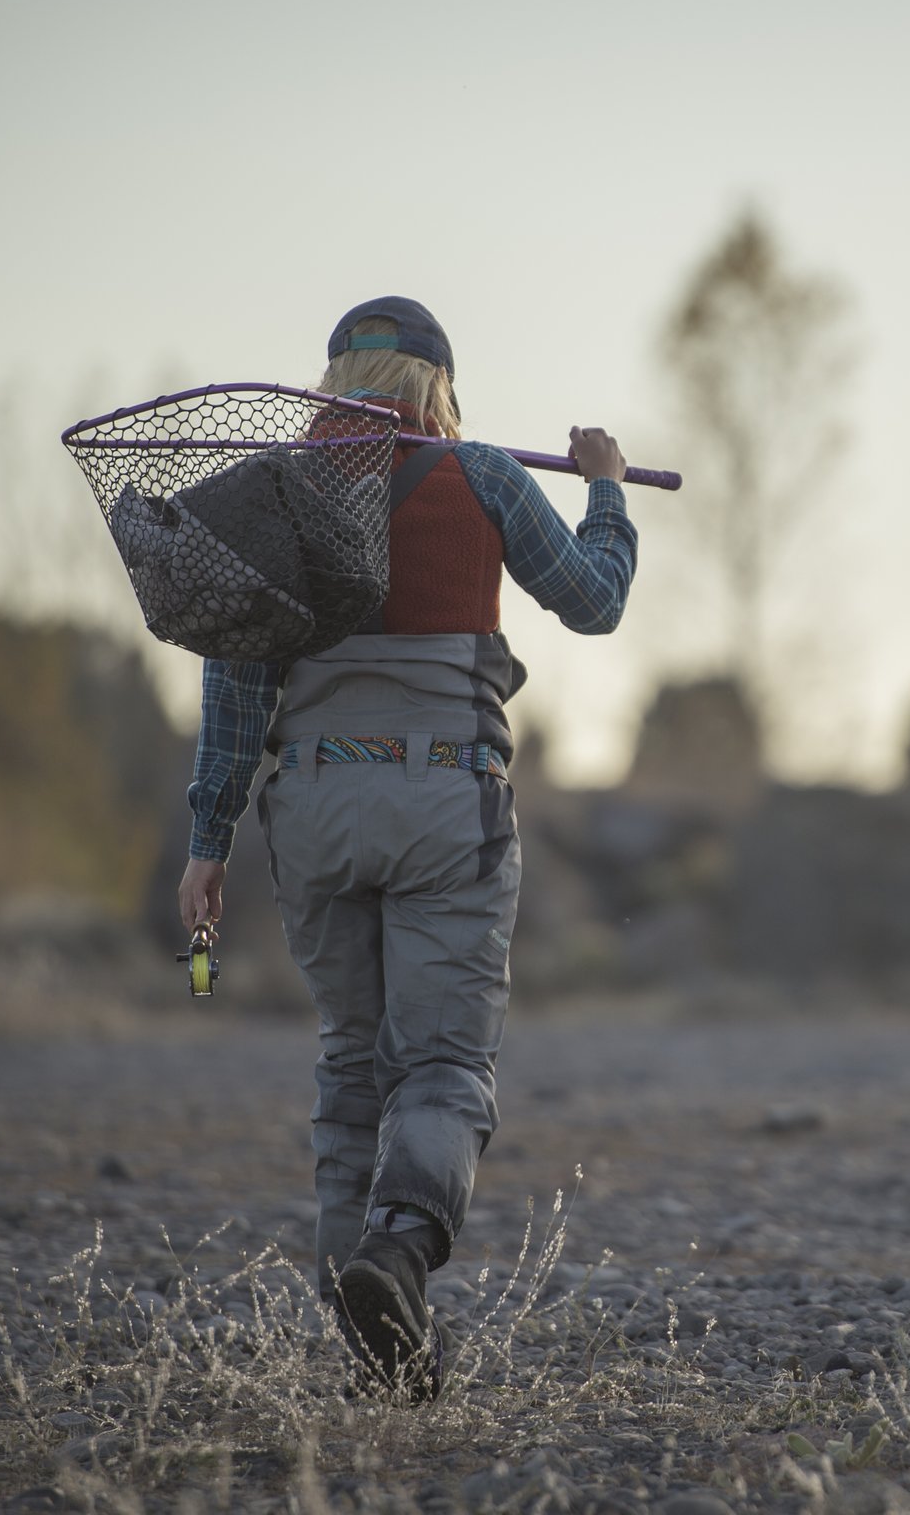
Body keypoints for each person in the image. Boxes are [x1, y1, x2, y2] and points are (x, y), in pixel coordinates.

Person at [176, 295, 638, 1400]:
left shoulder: (277, 504)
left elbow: (236, 689)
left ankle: (376, 1340)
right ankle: (396, 1249)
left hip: (316, 806)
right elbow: (594, 602)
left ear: (334, 380)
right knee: (438, 1066)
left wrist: (207, 840)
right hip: (445, 803)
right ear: (434, 388)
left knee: (350, 1063)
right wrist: (607, 487)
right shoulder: (482, 475)